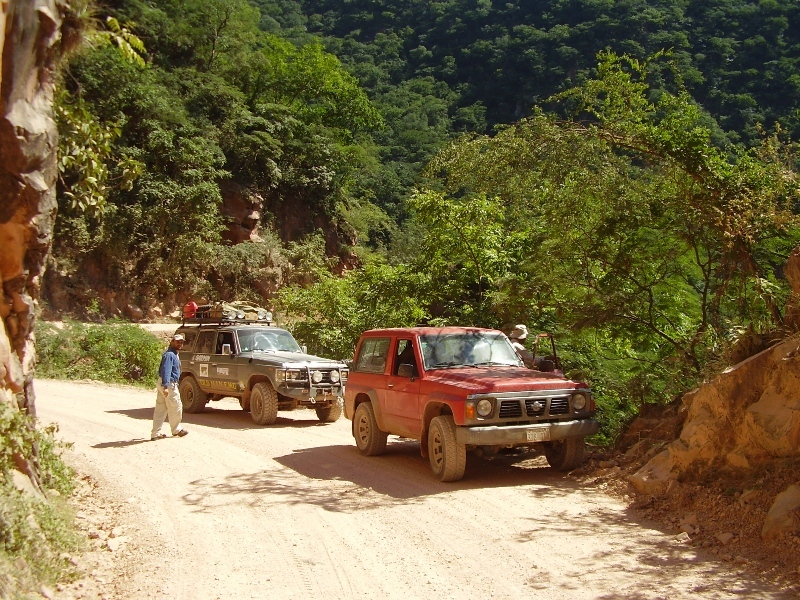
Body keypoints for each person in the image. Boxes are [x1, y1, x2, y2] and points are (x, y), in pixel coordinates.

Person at [151, 333, 189, 440]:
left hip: (165, 383)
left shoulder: (173, 353)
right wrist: (166, 386)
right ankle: (176, 430)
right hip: (169, 383)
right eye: (177, 341)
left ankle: (155, 433)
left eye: (181, 342)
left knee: (160, 408)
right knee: (176, 406)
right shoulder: (170, 355)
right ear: (172, 342)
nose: (180, 344)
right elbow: (166, 370)